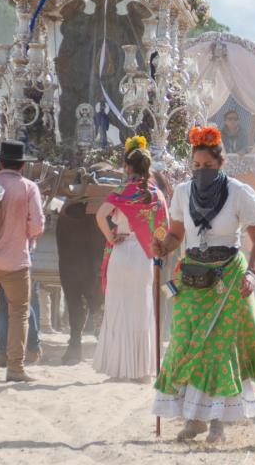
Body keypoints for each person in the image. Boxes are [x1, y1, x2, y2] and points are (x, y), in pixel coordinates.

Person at [151, 126, 255, 443]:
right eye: (196, 165)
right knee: (184, 342)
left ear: (221, 163)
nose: (201, 171)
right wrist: (164, 247)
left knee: (218, 348)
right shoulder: (183, 193)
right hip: (192, 277)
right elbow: (176, 234)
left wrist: (252, 273)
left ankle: (218, 422)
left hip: (229, 279)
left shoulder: (239, 193)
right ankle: (194, 419)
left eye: (207, 166)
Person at [93, 136, 168, 381]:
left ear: (127, 167)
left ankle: (118, 369)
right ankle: (141, 370)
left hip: (121, 251)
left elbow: (100, 215)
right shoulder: (156, 194)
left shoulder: (121, 191)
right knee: (141, 310)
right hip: (143, 255)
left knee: (117, 309)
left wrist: (110, 236)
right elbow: (164, 228)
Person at [0, 140, 45, 382]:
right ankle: (15, 368)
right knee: (19, 313)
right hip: (15, 262)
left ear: (1, 163)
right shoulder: (29, 188)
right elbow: (37, 226)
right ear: (22, 165)